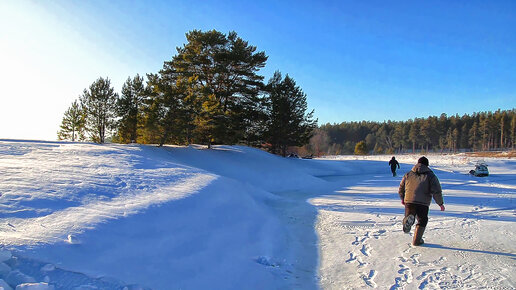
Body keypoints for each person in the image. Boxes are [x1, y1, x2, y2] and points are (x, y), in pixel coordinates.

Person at [398, 156, 445, 246]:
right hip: (423, 203)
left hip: (409, 201)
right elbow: (436, 191)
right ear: (427, 165)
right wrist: (440, 204)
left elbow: (401, 188)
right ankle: (416, 240)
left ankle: (408, 219)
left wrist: (403, 199)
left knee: (410, 215)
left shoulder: (408, 174)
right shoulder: (430, 176)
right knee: (422, 220)